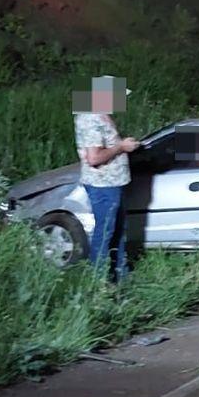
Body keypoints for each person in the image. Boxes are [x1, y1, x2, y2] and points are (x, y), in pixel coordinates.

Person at [73, 76, 140, 282]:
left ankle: (121, 279)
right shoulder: (89, 118)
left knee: (117, 232)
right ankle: (98, 282)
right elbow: (94, 158)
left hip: (113, 183)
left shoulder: (102, 114)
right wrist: (121, 147)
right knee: (105, 233)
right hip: (103, 185)